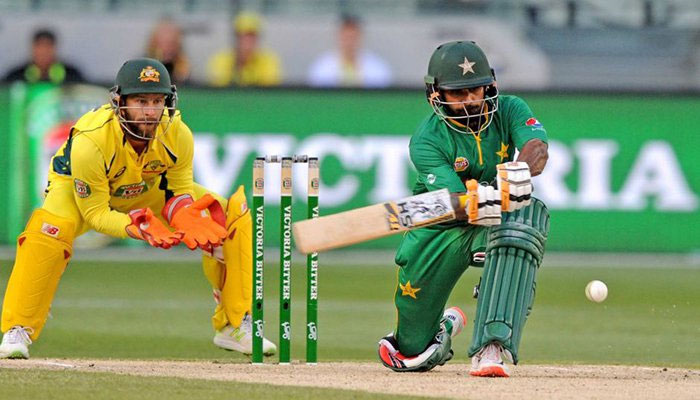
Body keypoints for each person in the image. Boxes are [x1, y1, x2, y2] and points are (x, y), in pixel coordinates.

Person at [0, 58, 276, 359]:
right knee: (49, 231)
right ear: (120, 102)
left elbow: (179, 191)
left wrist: (186, 215)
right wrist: (137, 227)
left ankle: (234, 324)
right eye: (141, 101)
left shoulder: (177, 133)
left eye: (157, 101)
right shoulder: (91, 141)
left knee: (230, 215)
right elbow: (96, 214)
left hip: (144, 187)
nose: (150, 111)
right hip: (77, 193)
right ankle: (17, 328)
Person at [377, 41, 550, 377]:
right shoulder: (427, 139)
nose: (470, 100)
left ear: (490, 84)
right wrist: (487, 196)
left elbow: (537, 148)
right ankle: (443, 328)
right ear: (436, 94)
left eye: (475, 89)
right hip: (438, 227)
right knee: (414, 354)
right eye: (458, 93)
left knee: (521, 226)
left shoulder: (510, 109)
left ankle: (491, 346)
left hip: (494, 221)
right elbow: (455, 201)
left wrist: (519, 172)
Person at [307, 14, 392, 88]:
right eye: (346, 36)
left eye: (353, 36)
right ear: (338, 36)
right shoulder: (322, 67)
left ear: (360, 37)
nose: (349, 41)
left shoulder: (378, 67)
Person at [206, 12, 281, 87]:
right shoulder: (221, 59)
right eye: (242, 35)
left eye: (251, 36)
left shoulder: (268, 59)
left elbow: (269, 87)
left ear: (258, 38)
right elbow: (217, 86)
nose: (247, 40)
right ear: (236, 37)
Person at [3, 29, 84, 84]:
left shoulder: (71, 74)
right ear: (32, 48)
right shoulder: (16, 75)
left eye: (48, 46)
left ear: (55, 48)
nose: (44, 51)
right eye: (40, 46)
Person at [146, 19, 191, 84]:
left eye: (172, 44)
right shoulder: (144, 64)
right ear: (154, 43)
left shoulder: (182, 65)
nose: (168, 49)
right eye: (163, 43)